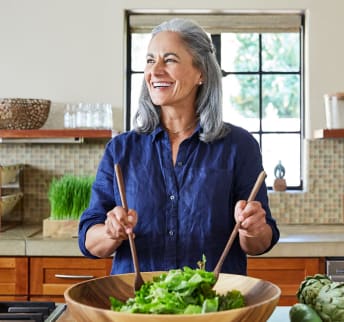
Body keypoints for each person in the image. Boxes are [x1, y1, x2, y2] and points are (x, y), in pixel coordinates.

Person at [78, 18, 280, 275]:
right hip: (139, 308)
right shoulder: (120, 150)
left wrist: (253, 228)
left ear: (201, 73)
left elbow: (260, 243)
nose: (156, 70)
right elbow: (88, 240)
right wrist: (110, 231)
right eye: (150, 60)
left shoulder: (239, 146)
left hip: (213, 308)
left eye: (170, 60)